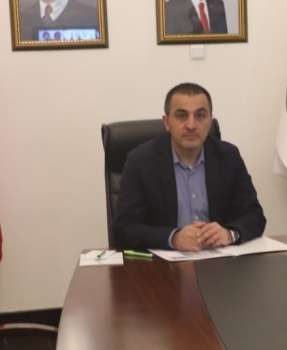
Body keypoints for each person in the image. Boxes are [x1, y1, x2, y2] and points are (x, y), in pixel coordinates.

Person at [113, 83, 266, 251]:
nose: (191, 125)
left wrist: (230, 234)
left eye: (200, 116)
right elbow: (124, 228)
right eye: (181, 116)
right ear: (166, 122)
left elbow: (254, 215)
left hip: (219, 259)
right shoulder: (141, 161)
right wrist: (173, 238)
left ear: (210, 121)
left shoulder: (228, 157)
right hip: (164, 263)